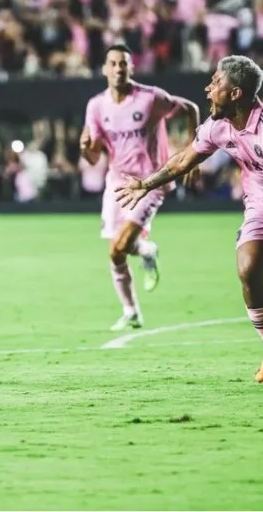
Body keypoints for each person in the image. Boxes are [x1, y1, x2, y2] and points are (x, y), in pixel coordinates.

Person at [115, 55, 263, 384]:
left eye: (215, 83)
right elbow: (184, 159)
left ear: (236, 93)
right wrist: (145, 183)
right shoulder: (218, 126)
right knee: (247, 269)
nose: (208, 89)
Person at [80, 44, 200, 331]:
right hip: (117, 183)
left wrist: (193, 153)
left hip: (150, 183)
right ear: (104, 69)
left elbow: (191, 108)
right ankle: (132, 308)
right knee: (116, 252)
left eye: (124, 63)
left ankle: (143, 255)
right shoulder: (96, 106)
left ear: (132, 67)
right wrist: (86, 149)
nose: (119, 68)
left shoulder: (150, 98)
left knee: (119, 245)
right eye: (113, 63)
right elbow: (95, 155)